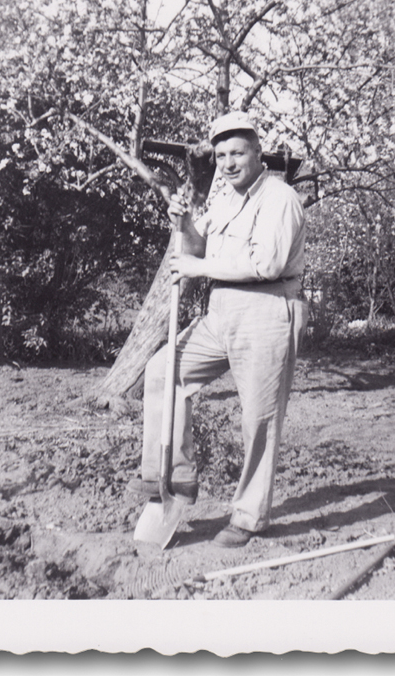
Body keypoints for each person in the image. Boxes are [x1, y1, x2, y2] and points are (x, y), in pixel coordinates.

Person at [127, 111, 308, 548]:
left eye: (237, 153)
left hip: (268, 309)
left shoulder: (280, 198)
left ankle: (248, 516)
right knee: (162, 371)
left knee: (258, 420)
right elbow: (194, 246)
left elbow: (267, 264)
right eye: (222, 155)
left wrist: (198, 265)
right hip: (221, 310)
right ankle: (174, 476)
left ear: (257, 153)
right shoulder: (224, 197)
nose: (228, 163)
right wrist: (185, 221)